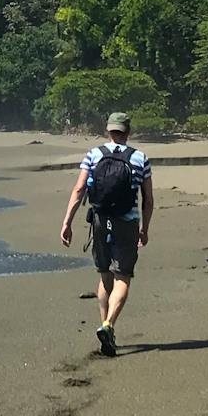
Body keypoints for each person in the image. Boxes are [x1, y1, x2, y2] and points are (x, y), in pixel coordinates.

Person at [60, 111, 153, 356]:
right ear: (128, 132)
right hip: (127, 221)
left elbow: (80, 189)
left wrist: (67, 222)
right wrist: (145, 228)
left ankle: (106, 329)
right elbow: (148, 199)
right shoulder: (140, 158)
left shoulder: (93, 154)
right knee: (123, 276)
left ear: (108, 130)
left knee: (104, 276)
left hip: (100, 220)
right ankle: (108, 325)